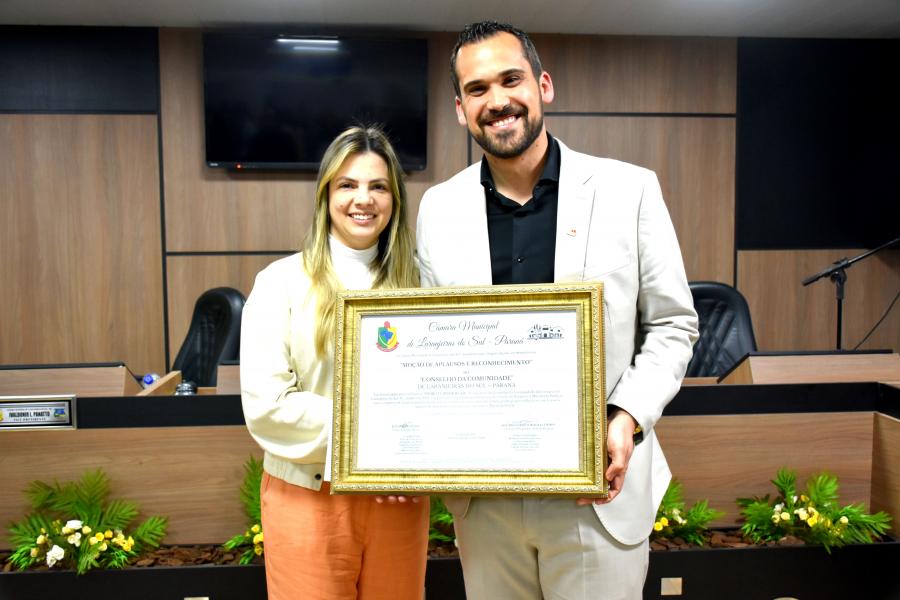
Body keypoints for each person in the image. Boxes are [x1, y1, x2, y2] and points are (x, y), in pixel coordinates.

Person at [416, 22, 699, 600]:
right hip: (486, 501)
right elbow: (430, 342)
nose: (497, 101)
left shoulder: (629, 190)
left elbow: (673, 324)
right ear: (460, 109)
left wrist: (627, 416)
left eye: (511, 79)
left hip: (597, 493)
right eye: (477, 89)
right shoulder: (437, 209)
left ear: (543, 85)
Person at [240, 125, 427, 600]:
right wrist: (378, 438)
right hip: (308, 498)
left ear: (395, 199)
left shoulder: (422, 287)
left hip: (398, 498)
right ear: (326, 194)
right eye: (347, 184)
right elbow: (268, 406)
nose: (363, 199)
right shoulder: (279, 282)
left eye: (378, 186)